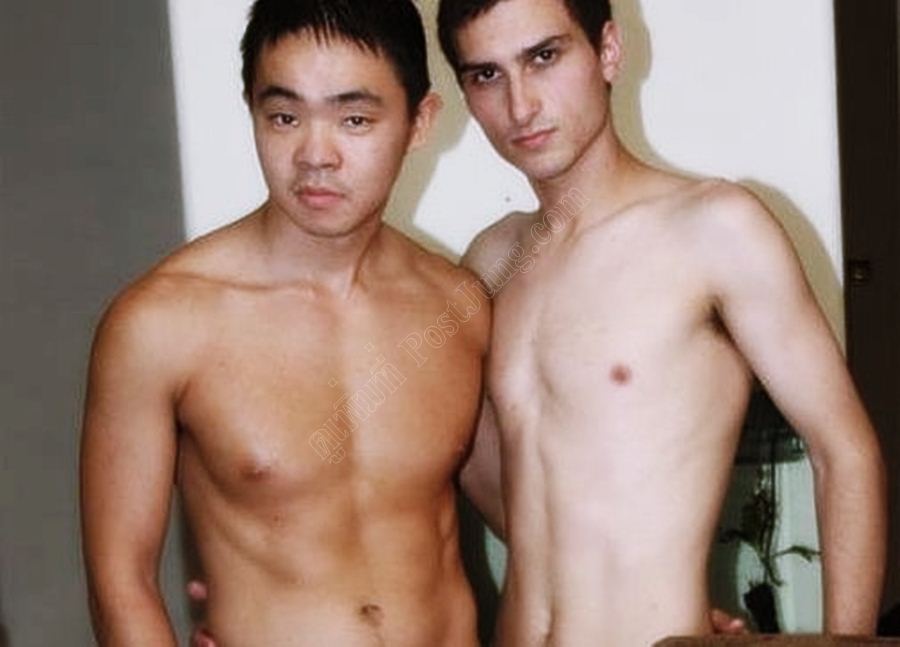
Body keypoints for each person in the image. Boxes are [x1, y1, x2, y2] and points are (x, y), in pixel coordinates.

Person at [436, 0, 887, 644]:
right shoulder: (492, 260)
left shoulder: (715, 227)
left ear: (608, 51)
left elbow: (843, 450)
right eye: (487, 75)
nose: (520, 104)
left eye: (544, 57)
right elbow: (485, 465)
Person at [79, 1, 492, 645]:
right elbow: (121, 584)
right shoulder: (160, 323)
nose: (315, 155)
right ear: (251, 109)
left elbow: (541, 516)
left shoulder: (458, 308)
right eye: (284, 117)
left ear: (420, 121)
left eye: (354, 119)